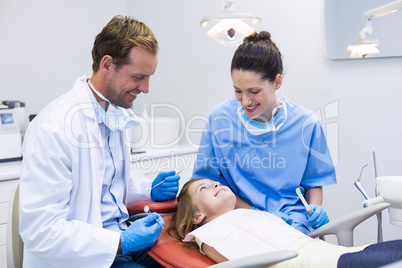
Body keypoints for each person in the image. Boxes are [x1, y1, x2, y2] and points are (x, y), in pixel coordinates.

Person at [19, 15, 180, 268]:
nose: (146, 88)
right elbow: (41, 232)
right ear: (108, 65)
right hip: (84, 257)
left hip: (118, 244)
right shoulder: (54, 128)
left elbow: (103, 186)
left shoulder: (113, 115)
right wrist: (120, 242)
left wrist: (149, 190)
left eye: (149, 77)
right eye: (139, 76)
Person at [193, 31, 336, 234]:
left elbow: (313, 182)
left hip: (291, 220)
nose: (245, 102)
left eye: (254, 92)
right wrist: (254, 214)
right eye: (238, 91)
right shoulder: (220, 120)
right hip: (235, 217)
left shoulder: (306, 124)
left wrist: (315, 209)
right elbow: (204, 183)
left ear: (277, 82)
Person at [169, 178, 402, 268]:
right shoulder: (209, 234)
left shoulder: (246, 215)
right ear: (196, 217)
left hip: (338, 254)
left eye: (216, 183)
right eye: (205, 189)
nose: (216, 186)